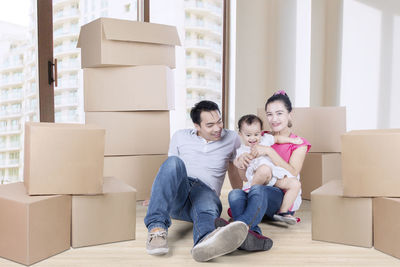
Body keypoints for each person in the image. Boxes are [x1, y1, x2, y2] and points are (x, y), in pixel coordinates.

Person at [144, 100, 249, 262]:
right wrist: (157, 197)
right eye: (210, 125)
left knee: (206, 208)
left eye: (219, 121)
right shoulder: (180, 136)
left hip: (207, 193)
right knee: (173, 162)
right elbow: (169, 172)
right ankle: (156, 229)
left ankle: (205, 242)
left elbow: (233, 169)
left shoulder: (232, 138)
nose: (217, 128)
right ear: (197, 126)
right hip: (180, 192)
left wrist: (239, 201)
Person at [216, 90, 311, 250]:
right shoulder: (258, 136)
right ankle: (252, 236)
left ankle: (235, 230)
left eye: (279, 113)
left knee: (258, 191)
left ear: (290, 114)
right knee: (235, 193)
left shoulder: (298, 143)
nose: (274, 119)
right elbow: (246, 179)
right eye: (269, 114)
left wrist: (269, 152)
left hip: (279, 196)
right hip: (256, 192)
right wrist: (242, 164)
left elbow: (293, 172)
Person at [234, 114, 303, 224]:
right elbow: (237, 163)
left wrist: (292, 140)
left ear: (261, 132)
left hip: (274, 177)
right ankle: (250, 192)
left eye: (256, 134)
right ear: (240, 134)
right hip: (258, 177)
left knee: (295, 184)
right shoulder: (242, 150)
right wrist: (240, 161)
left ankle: (283, 212)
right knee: (264, 169)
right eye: (248, 135)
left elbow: (277, 138)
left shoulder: (265, 140)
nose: (253, 138)